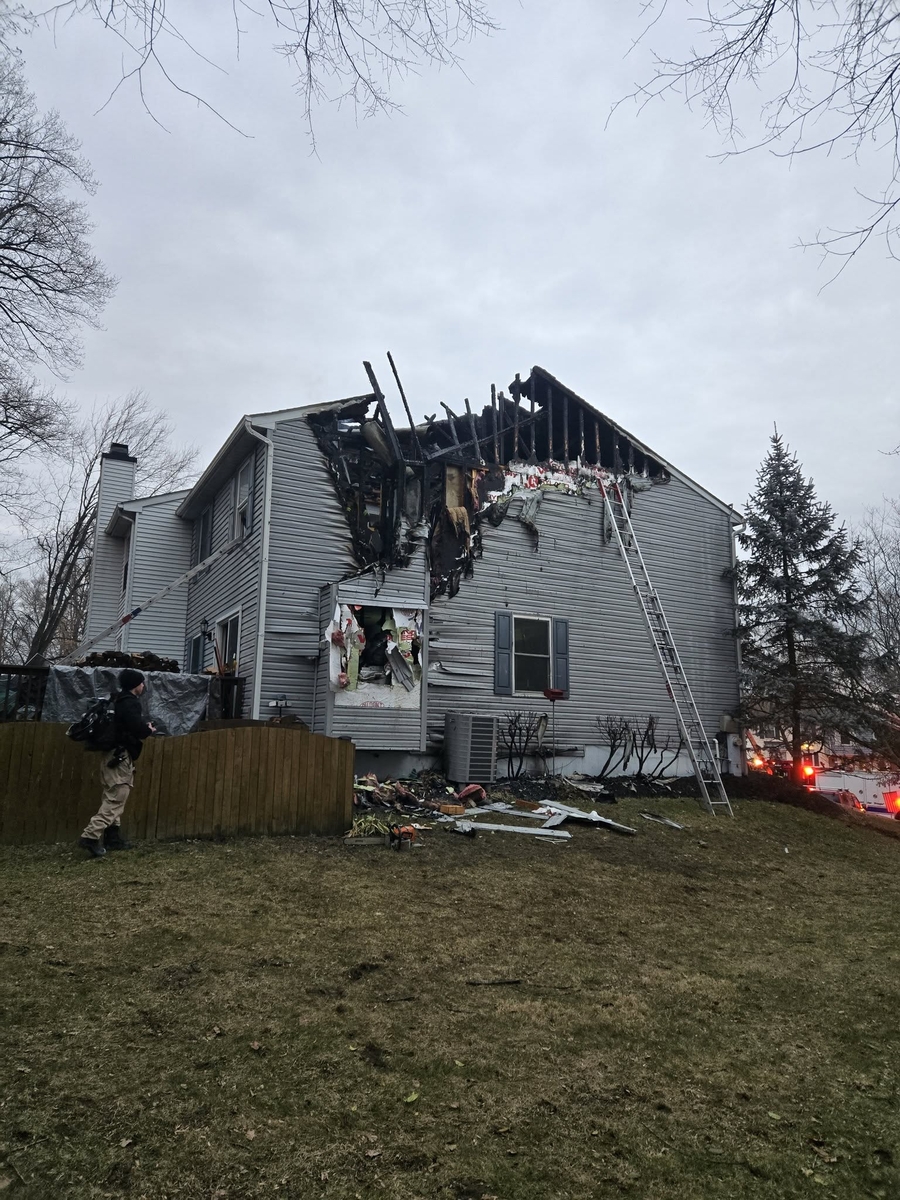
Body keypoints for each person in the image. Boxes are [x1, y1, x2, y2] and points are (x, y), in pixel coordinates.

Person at [78, 669, 157, 858]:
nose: (143, 686)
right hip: (119, 756)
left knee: (112, 794)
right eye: (141, 683)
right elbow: (136, 728)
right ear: (134, 685)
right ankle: (90, 835)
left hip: (111, 755)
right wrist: (148, 729)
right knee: (118, 795)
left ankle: (113, 838)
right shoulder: (129, 703)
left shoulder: (116, 700)